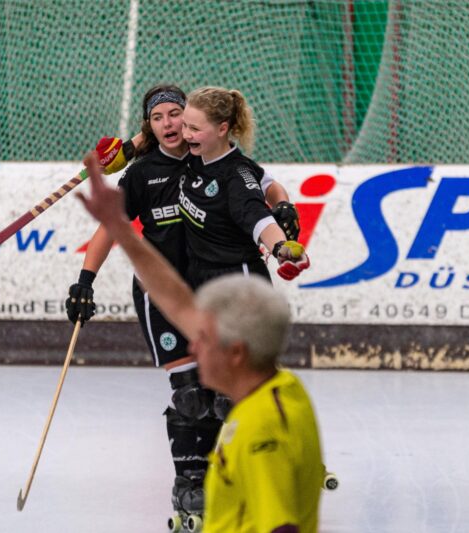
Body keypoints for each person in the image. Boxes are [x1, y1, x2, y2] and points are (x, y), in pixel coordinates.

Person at [64, 84, 299, 527]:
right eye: (159, 118)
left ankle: (236, 471)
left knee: (225, 395)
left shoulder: (203, 156)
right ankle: (189, 483)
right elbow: (111, 227)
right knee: (191, 395)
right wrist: (85, 280)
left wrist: (283, 206)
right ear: (148, 126)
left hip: (206, 291)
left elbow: (261, 184)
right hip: (160, 292)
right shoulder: (142, 173)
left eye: (177, 115)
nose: (171, 125)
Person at [179, 86, 310, 290]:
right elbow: (270, 185)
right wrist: (284, 204)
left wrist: (280, 248)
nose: (186, 134)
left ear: (222, 129)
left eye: (195, 129)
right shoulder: (196, 153)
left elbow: (256, 215)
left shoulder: (236, 175)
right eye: (184, 125)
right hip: (200, 275)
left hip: (238, 282)